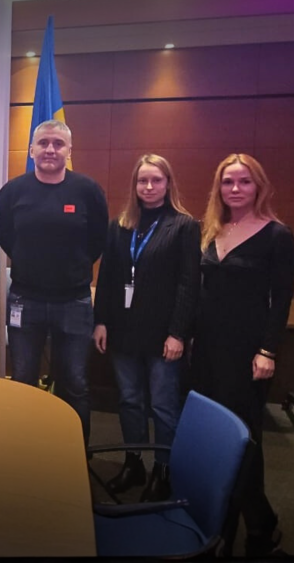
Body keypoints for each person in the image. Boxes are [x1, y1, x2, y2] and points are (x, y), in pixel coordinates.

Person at [192, 153, 294, 557]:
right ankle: (255, 520)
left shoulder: (276, 235)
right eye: (228, 182)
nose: (235, 189)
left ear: (259, 186)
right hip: (207, 351)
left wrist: (268, 350)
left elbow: (281, 299)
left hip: (248, 352)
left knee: (244, 440)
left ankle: (239, 526)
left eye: (244, 182)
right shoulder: (211, 230)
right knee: (214, 437)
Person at [93, 154, 200, 501]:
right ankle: (133, 461)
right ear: (134, 186)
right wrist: (101, 321)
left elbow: (188, 285)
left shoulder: (183, 225)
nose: (149, 187)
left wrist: (178, 333)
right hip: (123, 332)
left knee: (164, 406)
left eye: (156, 180)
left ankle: (163, 469)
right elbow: (107, 278)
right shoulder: (120, 225)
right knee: (129, 401)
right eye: (143, 181)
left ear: (168, 184)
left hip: (162, 335)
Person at [0, 119, 107, 444]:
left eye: (58, 144)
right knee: (23, 378)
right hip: (25, 301)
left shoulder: (87, 190)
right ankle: (24, 449)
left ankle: (74, 453)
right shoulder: (12, 191)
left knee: (74, 382)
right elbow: (6, 237)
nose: (50, 149)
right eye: (43, 143)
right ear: (31, 149)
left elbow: (98, 240)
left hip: (73, 302)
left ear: (69, 151)